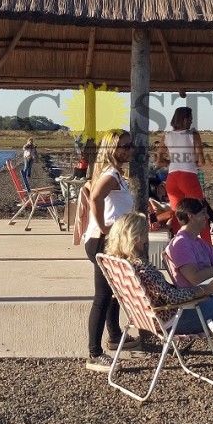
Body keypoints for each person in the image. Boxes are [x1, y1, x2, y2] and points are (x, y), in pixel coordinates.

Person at [104, 211, 213, 374]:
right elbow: (171, 297)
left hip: (147, 319)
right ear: (135, 238)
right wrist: (205, 290)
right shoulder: (142, 267)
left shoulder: (119, 264)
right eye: (144, 234)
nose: (146, 239)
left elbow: (163, 293)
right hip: (174, 320)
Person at [82, 129, 135, 370]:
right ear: (111, 149)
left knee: (115, 292)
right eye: (123, 146)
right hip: (104, 242)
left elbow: (90, 191)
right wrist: (104, 227)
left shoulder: (115, 173)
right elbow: (94, 197)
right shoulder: (112, 174)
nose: (128, 149)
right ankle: (94, 354)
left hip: (110, 242)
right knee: (102, 297)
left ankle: (114, 337)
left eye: (130, 145)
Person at [154, 106, 213, 241]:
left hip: (172, 178)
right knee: (201, 211)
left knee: (177, 214)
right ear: (185, 119)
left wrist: (172, 162)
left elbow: (158, 162)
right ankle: (207, 246)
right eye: (190, 119)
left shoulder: (166, 136)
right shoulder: (193, 135)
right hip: (188, 177)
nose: (191, 121)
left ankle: (177, 245)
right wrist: (191, 163)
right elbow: (201, 162)